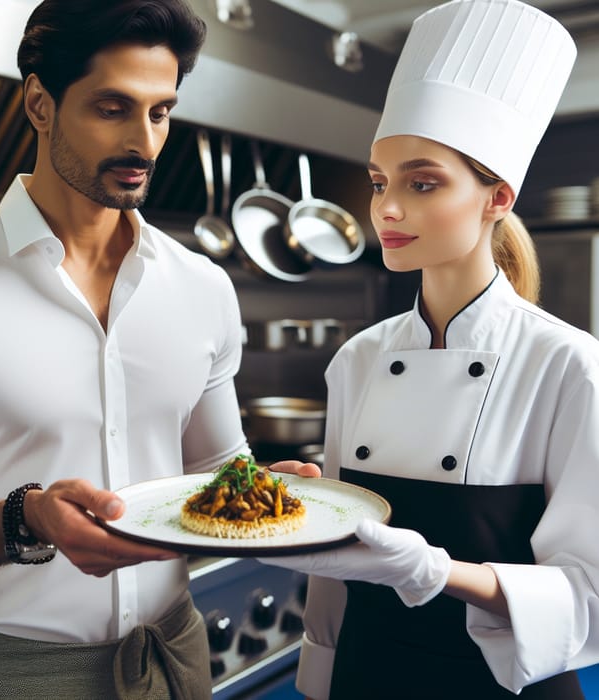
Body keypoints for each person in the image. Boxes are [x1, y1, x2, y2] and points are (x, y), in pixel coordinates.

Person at [0, 1, 316, 697]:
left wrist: (267, 491)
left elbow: (215, 467)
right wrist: (24, 517)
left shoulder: (203, 286)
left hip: (175, 653)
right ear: (40, 103)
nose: (145, 144)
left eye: (160, 112)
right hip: (18, 674)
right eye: (113, 108)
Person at [262, 0, 599, 698]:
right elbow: (337, 576)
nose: (385, 208)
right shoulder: (357, 358)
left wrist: (434, 572)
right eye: (381, 182)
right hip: (367, 674)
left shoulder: (567, 364)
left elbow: (588, 598)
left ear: (496, 197)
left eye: (422, 183)